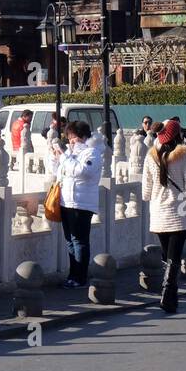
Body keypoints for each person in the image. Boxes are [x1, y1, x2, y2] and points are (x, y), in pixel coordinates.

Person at [140, 119, 186, 314]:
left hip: (158, 212)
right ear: (175, 136)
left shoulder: (151, 157)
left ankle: (171, 297)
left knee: (168, 256)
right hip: (179, 209)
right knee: (175, 256)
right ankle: (167, 294)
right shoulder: (183, 157)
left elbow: (145, 193)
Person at [48, 119, 103, 288]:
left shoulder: (92, 153)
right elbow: (57, 173)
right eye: (69, 138)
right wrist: (55, 157)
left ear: (83, 137)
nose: (71, 142)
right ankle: (72, 275)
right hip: (66, 202)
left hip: (82, 204)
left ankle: (81, 277)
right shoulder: (70, 155)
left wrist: (65, 155)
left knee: (80, 241)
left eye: (74, 138)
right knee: (70, 241)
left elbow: (83, 172)